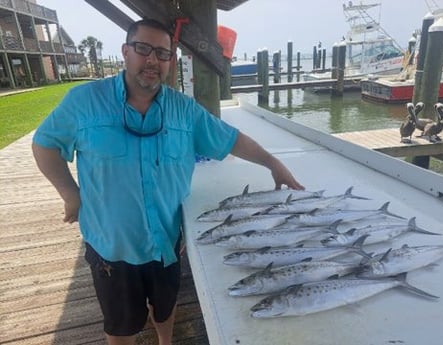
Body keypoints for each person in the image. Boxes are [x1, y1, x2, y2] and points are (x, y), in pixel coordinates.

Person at [32, 19, 304, 345]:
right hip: (112, 247)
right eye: (143, 49)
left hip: (166, 241)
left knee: (165, 307)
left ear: (169, 61)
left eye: (163, 53)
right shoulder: (84, 102)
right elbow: (45, 144)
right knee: (122, 326)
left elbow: (230, 139)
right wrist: (70, 195)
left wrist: (272, 163)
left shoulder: (184, 110)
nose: (153, 60)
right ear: (125, 52)